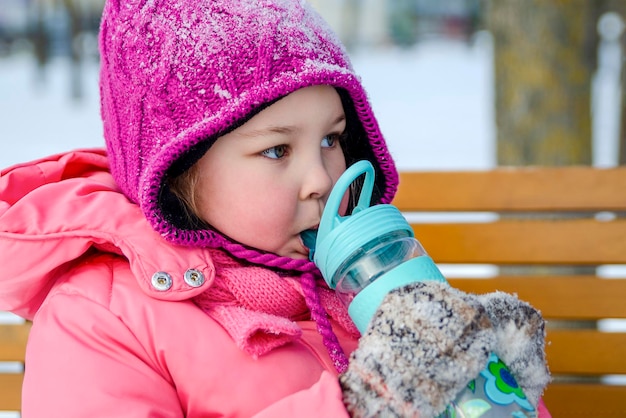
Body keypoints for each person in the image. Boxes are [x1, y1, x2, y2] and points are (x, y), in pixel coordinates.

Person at [0, 0, 551, 416]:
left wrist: (490, 374)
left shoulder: (355, 280)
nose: (321, 180)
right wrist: (360, 404)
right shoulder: (100, 319)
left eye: (332, 140)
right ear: (177, 169)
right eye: (276, 149)